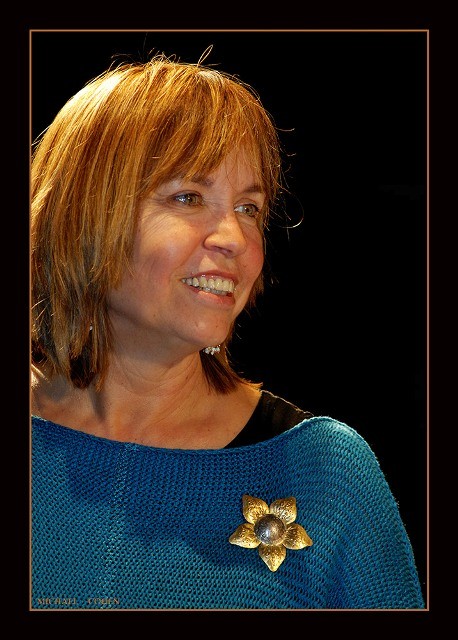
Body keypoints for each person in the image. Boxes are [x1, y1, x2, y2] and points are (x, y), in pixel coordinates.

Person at [31, 52, 425, 610]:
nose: (234, 239)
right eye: (188, 198)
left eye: (248, 208)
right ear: (81, 216)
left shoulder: (326, 473)